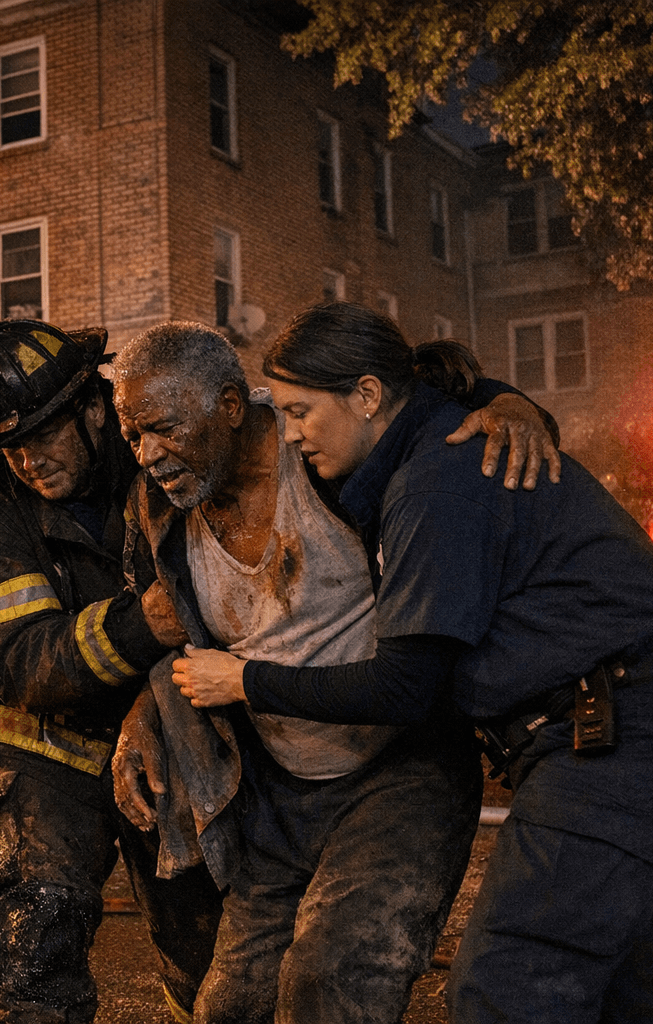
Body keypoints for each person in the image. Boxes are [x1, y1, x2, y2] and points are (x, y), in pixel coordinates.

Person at [175, 300, 653, 1024]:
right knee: (614, 995)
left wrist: (243, 680)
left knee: (507, 987)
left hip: (619, 742)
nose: (290, 435)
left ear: (366, 395)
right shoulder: (424, 447)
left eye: (301, 412)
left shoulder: (438, 479)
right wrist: (499, 395)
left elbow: (405, 685)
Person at [110, 321, 557, 1024]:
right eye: (133, 435)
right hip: (278, 793)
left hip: (398, 775)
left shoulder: (323, 447)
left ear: (231, 405)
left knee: (330, 983)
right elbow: (177, 635)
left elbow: (414, 404)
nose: (149, 454)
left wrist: (511, 404)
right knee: (230, 1008)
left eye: (164, 428)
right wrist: (143, 712)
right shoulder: (159, 503)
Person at [0, 317, 228, 1024]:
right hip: (53, 756)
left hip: (172, 739)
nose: (27, 462)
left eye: (41, 435)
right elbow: (17, 663)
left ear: (94, 407)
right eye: (9, 447)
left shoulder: (157, 455)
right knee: (34, 947)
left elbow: (263, 426)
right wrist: (142, 626)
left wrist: (503, 403)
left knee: (208, 950)